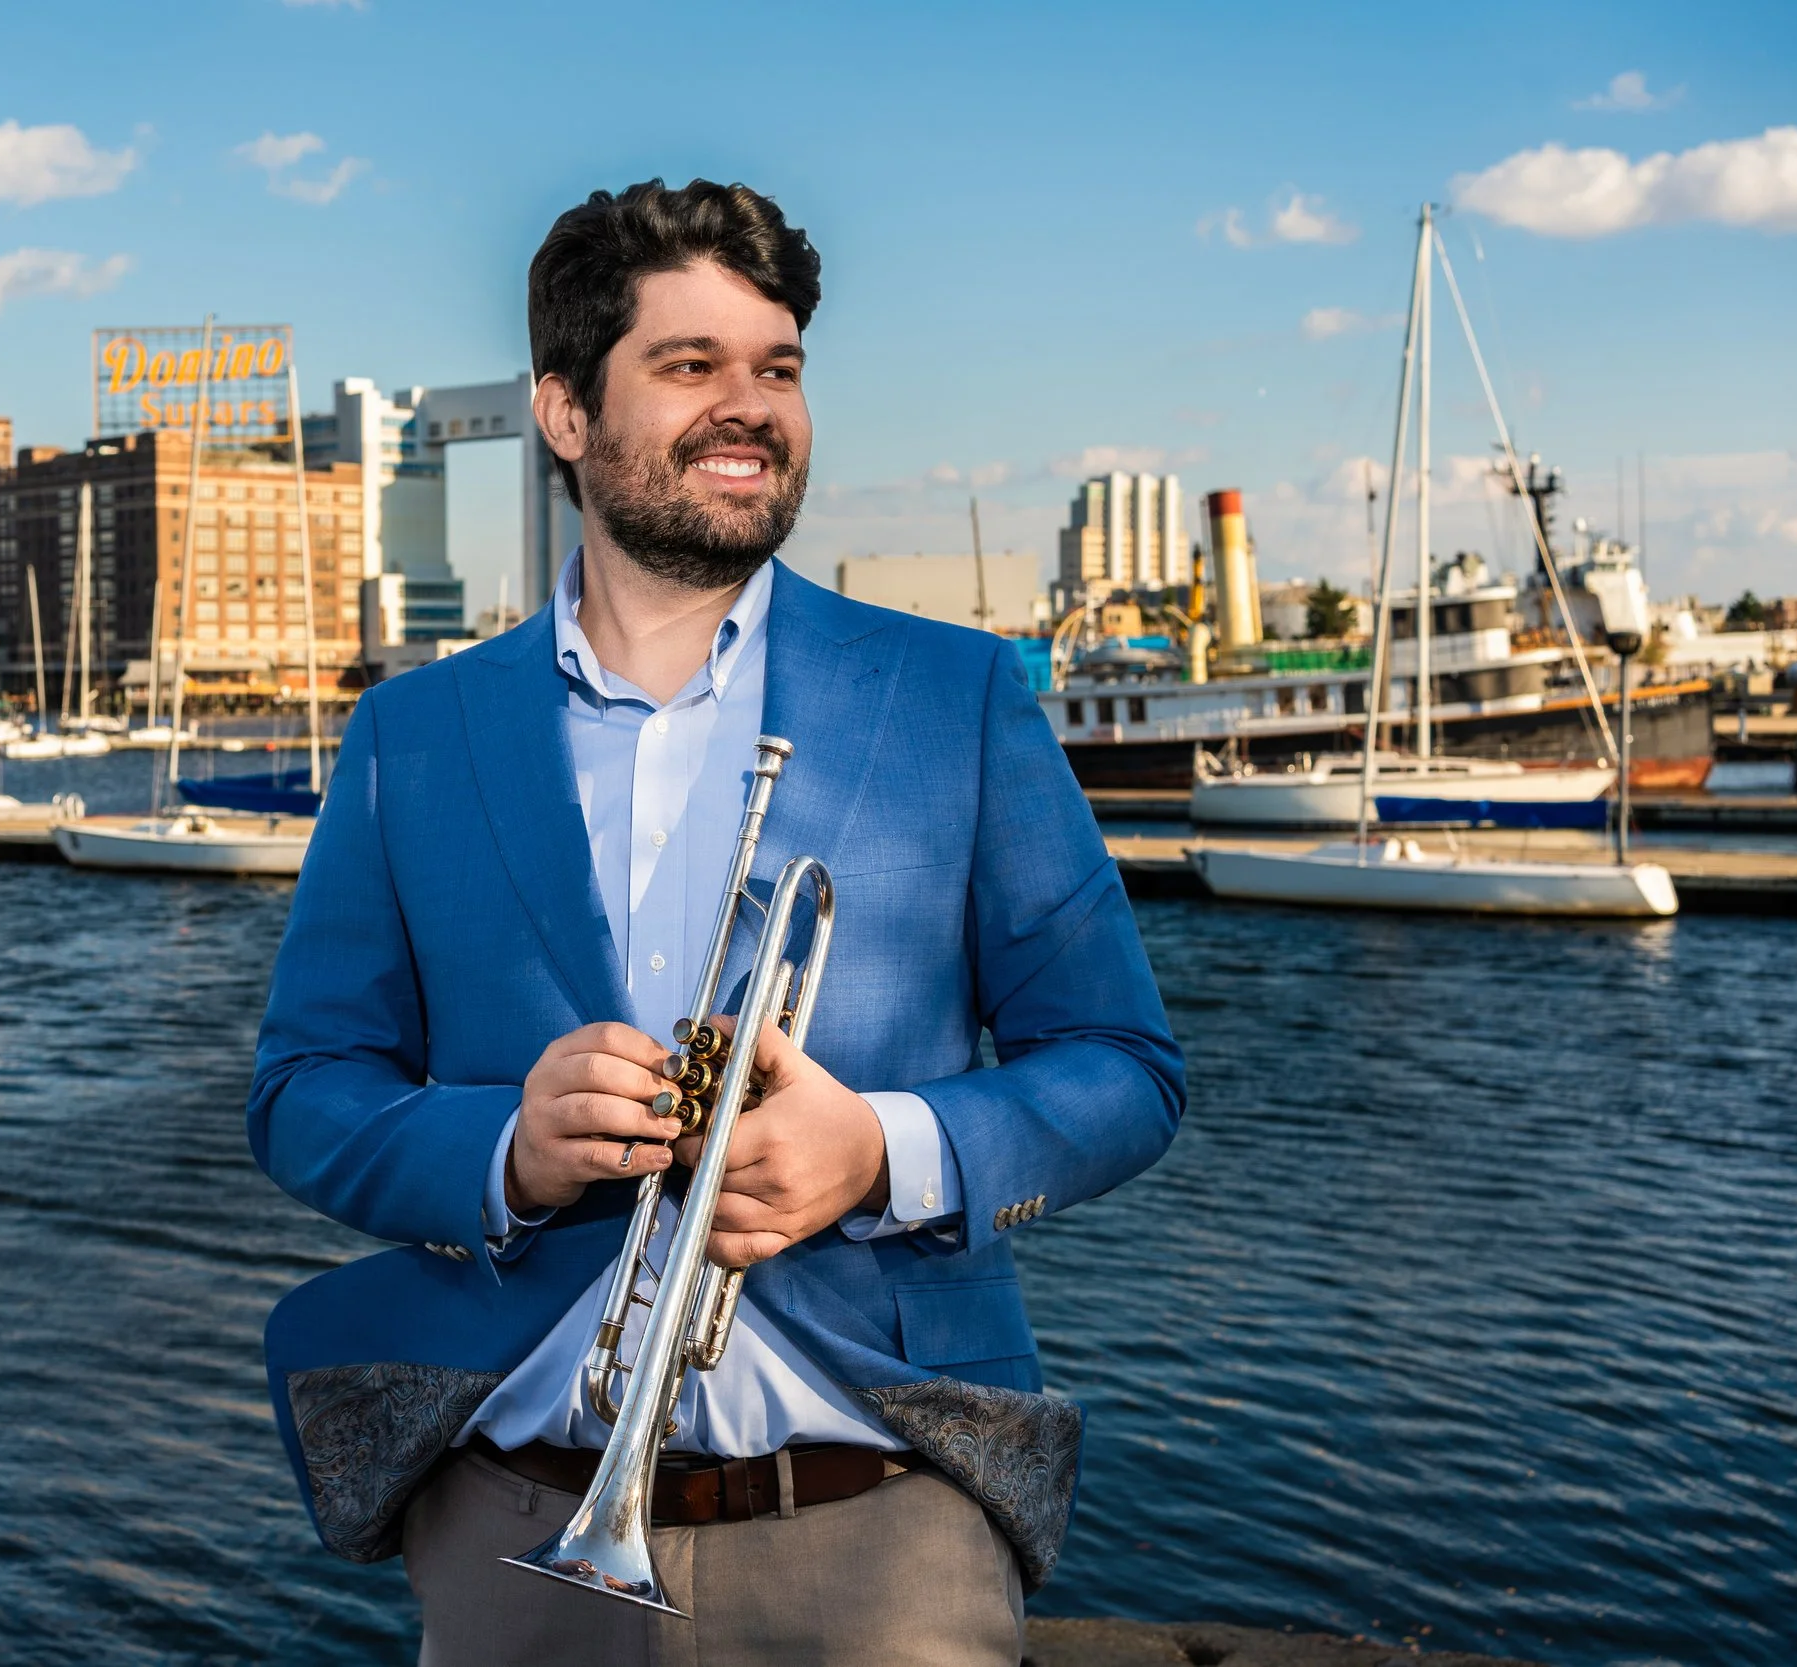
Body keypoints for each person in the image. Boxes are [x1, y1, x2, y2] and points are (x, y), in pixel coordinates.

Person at [252, 178, 1184, 1665]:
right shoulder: (411, 733)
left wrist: (882, 1147)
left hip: (882, 1517)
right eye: (690, 367)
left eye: (780, 368)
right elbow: (304, 1093)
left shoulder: (959, 699)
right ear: (566, 412)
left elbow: (1126, 1066)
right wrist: (503, 1151)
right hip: (514, 1529)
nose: (750, 407)